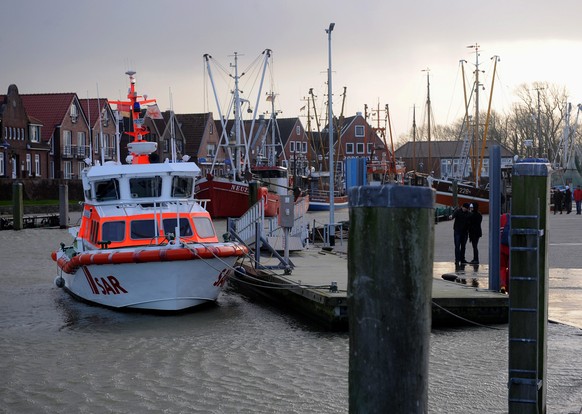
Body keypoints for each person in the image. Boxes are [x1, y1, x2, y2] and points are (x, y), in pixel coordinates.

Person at [450, 202, 471, 268]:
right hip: (457, 231)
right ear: (462, 207)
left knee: (463, 246)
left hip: (465, 232)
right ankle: (457, 259)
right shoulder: (458, 211)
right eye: (465, 208)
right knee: (457, 246)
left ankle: (462, 259)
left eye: (467, 209)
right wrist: (451, 216)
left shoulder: (469, 214)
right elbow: (453, 215)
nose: (466, 209)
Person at [500, 213, 510, 294]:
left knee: (502, 267)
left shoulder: (503, 217)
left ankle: (503, 285)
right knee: (511, 268)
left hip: (502, 246)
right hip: (512, 248)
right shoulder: (516, 218)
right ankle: (510, 287)